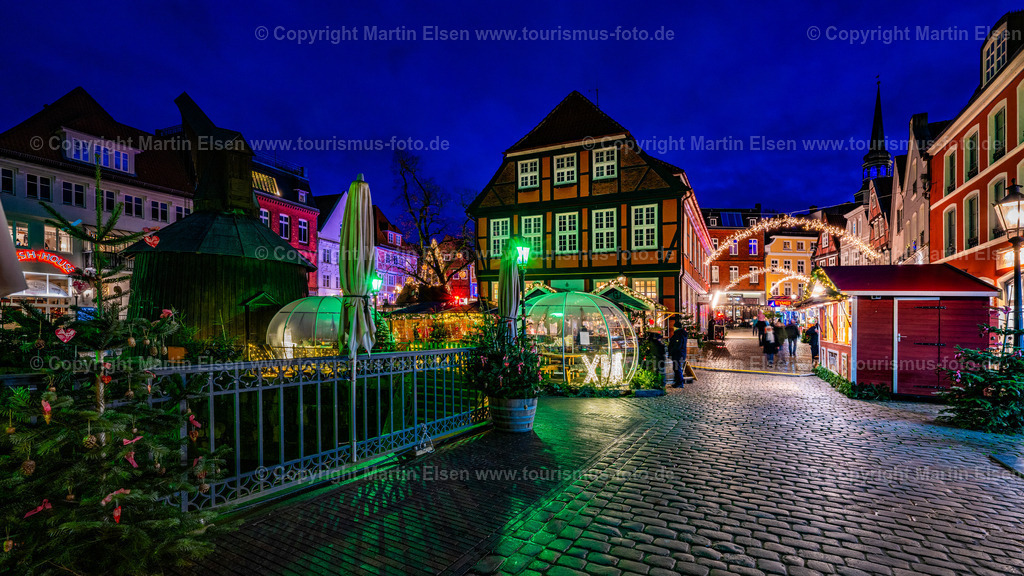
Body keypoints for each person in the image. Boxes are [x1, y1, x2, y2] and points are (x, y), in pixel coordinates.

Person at [667, 321, 687, 388]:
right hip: (680, 354)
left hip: (678, 354)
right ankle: (678, 382)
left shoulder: (678, 334)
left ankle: (679, 383)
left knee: (677, 368)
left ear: (676, 327)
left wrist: (672, 352)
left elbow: (677, 345)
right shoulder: (682, 334)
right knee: (677, 368)